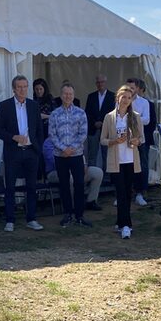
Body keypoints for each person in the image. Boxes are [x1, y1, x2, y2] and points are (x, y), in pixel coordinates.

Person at [0, 75, 44, 232]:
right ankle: (10, 219)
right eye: (20, 87)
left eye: (25, 86)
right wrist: (13, 137)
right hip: (13, 151)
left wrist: (38, 148)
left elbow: (39, 129)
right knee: (10, 186)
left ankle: (31, 218)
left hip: (31, 151)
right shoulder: (5, 106)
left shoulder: (33, 105)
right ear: (14, 89)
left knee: (31, 186)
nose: (23, 90)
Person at [100, 84, 142, 239]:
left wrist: (136, 141)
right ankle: (126, 225)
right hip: (116, 161)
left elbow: (141, 138)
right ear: (117, 98)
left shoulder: (135, 117)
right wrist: (114, 141)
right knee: (121, 193)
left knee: (127, 193)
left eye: (129, 98)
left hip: (131, 160)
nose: (126, 100)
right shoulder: (109, 117)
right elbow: (103, 140)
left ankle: (121, 222)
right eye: (123, 97)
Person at [49, 83, 92, 227]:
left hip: (76, 154)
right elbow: (52, 134)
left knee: (79, 184)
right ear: (61, 95)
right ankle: (67, 214)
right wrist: (63, 148)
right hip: (60, 155)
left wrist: (71, 149)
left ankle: (79, 215)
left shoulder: (81, 113)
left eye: (70, 94)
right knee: (64, 185)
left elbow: (83, 134)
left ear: (73, 96)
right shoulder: (54, 114)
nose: (68, 96)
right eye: (65, 94)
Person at [126, 78, 153, 206]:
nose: (130, 90)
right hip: (125, 139)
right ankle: (125, 193)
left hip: (140, 139)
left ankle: (140, 193)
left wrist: (133, 119)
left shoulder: (144, 103)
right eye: (128, 87)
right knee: (126, 166)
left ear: (137, 88)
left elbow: (147, 119)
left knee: (141, 166)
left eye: (132, 88)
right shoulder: (122, 100)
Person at [84, 74, 114, 172]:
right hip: (93, 129)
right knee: (92, 154)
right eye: (98, 82)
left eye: (102, 82)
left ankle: (108, 177)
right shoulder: (91, 96)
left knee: (107, 154)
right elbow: (87, 113)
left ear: (105, 83)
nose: (100, 84)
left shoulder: (113, 96)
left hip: (106, 130)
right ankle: (91, 174)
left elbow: (113, 113)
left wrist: (103, 123)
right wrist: (94, 123)